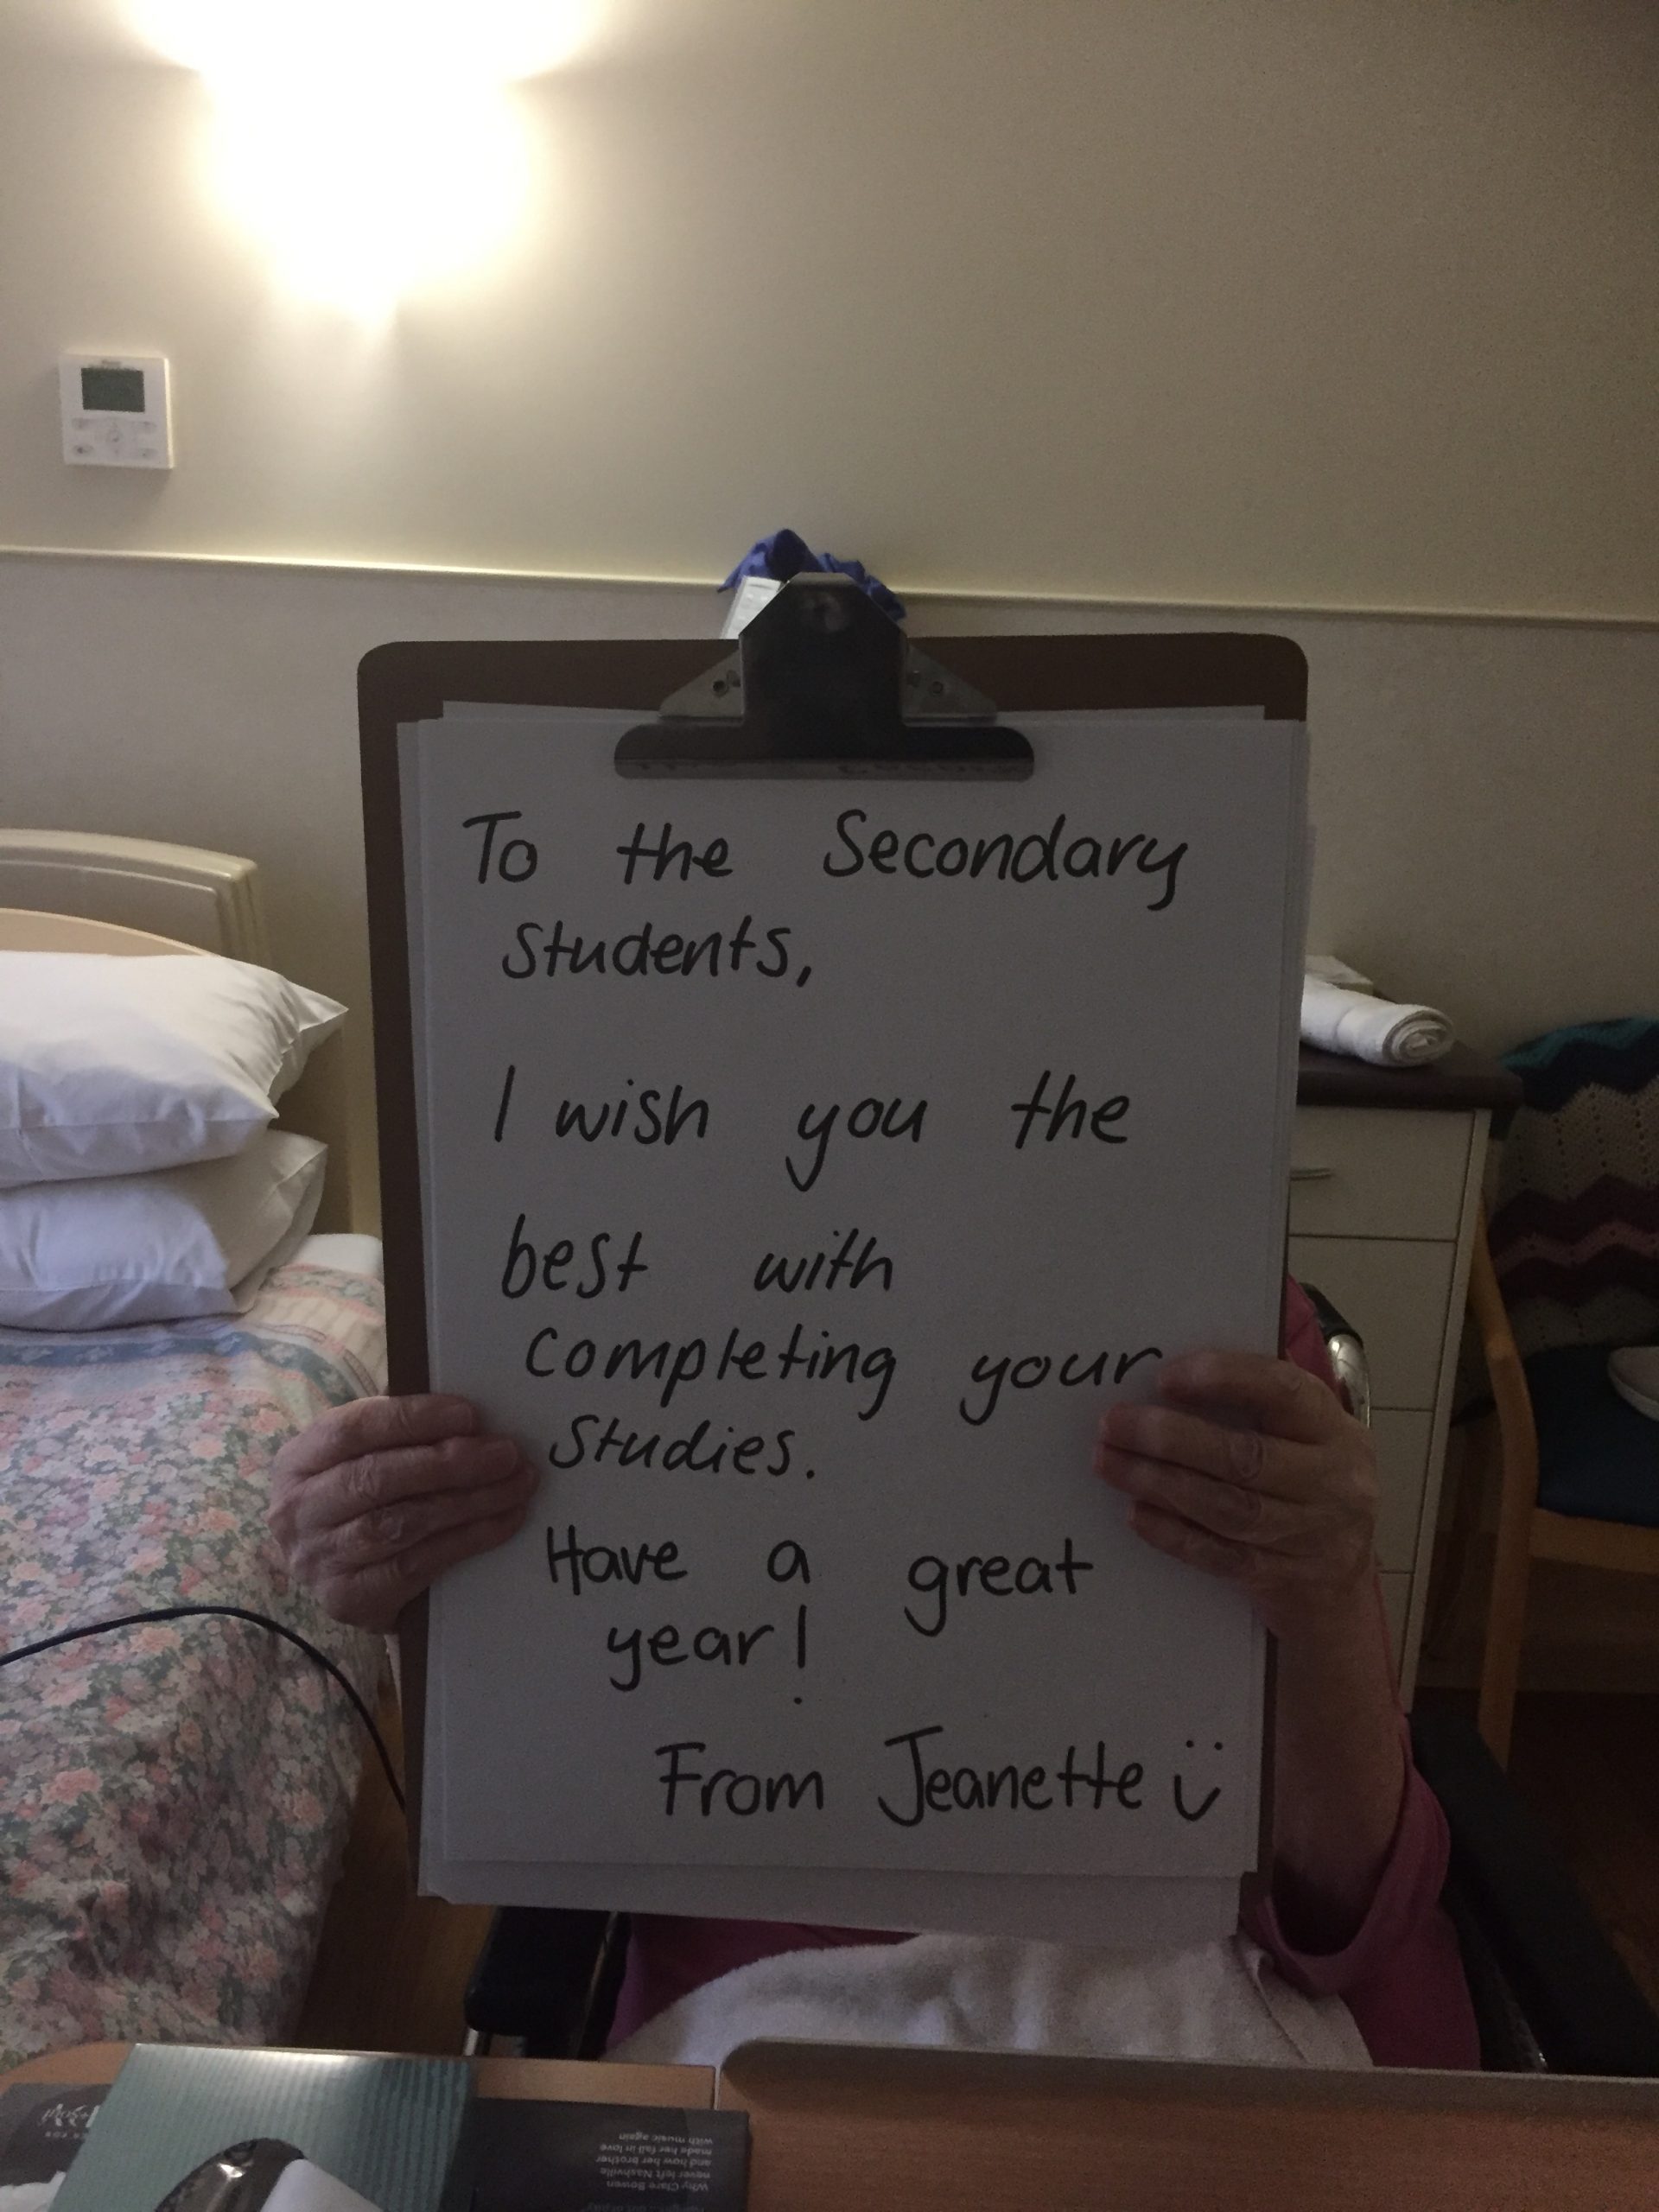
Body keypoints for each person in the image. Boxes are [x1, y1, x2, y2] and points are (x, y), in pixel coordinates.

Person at [268, 1282, 1478, 2069]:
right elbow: (532, 1802)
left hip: (1187, 1986)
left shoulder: (1205, 1313)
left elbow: (1348, 1898)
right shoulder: (564, 1293)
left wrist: (1323, 1597)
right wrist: (411, 1599)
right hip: (775, 2020)